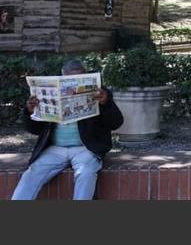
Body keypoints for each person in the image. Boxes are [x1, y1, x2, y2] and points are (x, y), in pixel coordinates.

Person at [11, 59, 123, 200]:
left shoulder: (101, 93)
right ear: (63, 78)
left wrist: (106, 103)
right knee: (31, 174)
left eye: (79, 78)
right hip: (55, 149)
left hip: (86, 148)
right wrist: (29, 111)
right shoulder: (51, 94)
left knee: (86, 173)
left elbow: (116, 123)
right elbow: (35, 130)